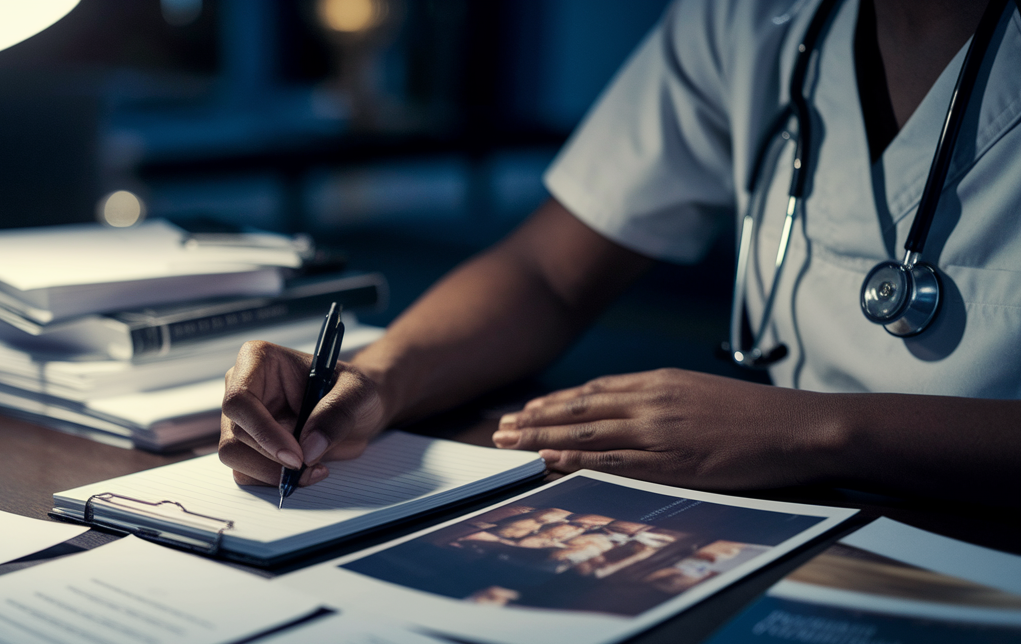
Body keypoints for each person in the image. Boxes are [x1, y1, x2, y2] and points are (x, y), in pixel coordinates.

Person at [220, 0, 1021, 503]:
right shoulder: (749, 19)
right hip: (796, 519)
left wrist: (813, 429)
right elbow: (549, 272)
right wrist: (375, 379)